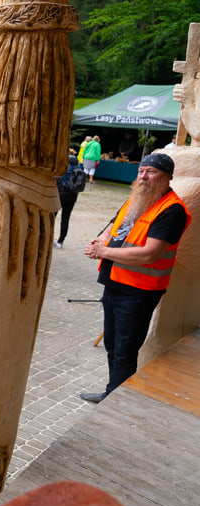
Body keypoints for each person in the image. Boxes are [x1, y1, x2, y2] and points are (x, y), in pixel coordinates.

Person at [79, 153, 191, 403]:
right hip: (115, 282)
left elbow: (150, 254)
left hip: (139, 291)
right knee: (112, 343)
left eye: (151, 172)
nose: (143, 177)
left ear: (168, 177)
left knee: (125, 349)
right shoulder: (138, 199)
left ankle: (116, 399)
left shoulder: (172, 210)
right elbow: (113, 226)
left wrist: (103, 251)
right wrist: (99, 240)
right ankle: (113, 391)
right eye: (141, 171)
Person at [54, 154, 85, 248]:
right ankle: (60, 241)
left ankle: (47, 238)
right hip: (73, 195)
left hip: (61, 194)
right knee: (66, 218)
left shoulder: (62, 164)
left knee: (52, 217)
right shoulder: (77, 164)